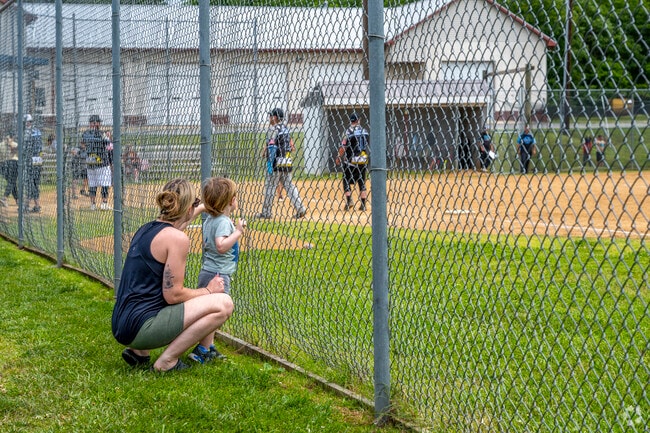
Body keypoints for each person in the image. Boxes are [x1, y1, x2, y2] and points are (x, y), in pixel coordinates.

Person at [111, 178, 234, 372]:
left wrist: (199, 207)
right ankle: (167, 361)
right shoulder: (178, 239)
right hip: (141, 326)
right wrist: (208, 290)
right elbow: (173, 295)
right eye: (194, 203)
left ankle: (138, 352)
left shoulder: (147, 229)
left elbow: (176, 227)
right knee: (224, 303)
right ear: (187, 209)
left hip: (122, 323)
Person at [192, 177, 246, 363]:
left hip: (209, 270)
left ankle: (208, 346)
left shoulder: (212, 219)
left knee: (210, 310)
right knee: (216, 312)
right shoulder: (222, 221)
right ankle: (202, 350)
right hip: (218, 274)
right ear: (231, 201)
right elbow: (221, 246)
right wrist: (238, 231)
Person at [257, 108, 306, 219]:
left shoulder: (272, 129)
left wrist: (265, 154)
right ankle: (300, 208)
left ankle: (266, 213)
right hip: (287, 161)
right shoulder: (285, 129)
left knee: (270, 186)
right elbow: (290, 144)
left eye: (271, 116)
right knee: (289, 186)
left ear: (275, 117)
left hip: (276, 161)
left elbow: (270, 145)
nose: (269, 118)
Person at [336, 112, 370, 211]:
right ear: (358, 120)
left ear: (351, 121)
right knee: (361, 181)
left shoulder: (348, 132)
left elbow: (343, 147)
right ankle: (363, 205)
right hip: (363, 159)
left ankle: (349, 200)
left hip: (351, 160)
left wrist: (339, 156)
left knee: (346, 180)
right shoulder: (365, 131)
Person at [82, 115, 112, 210]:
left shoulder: (85, 133)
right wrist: (108, 137)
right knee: (105, 183)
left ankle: (93, 205)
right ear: (96, 123)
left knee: (92, 184)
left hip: (90, 161)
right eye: (97, 122)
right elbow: (108, 144)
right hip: (102, 161)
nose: (99, 124)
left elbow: (83, 144)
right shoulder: (101, 133)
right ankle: (104, 203)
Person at [23, 115, 43, 213]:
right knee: (34, 182)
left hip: (31, 159)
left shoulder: (27, 132)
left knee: (30, 182)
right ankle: (33, 205)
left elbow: (25, 148)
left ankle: (30, 205)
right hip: (38, 159)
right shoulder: (38, 131)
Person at [1, 133, 18, 207]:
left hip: (2, 165)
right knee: (12, 182)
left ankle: (17, 199)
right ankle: (4, 198)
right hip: (13, 163)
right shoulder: (14, 144)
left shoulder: (1, 144)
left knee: (12, 182)